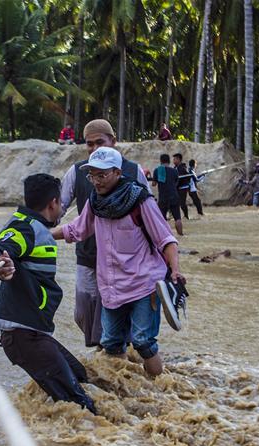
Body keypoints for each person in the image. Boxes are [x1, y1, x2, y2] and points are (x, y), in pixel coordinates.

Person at [52, 147, 187, 377]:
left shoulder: (140, 201)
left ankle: (162, 391)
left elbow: (166, 240)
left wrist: (175, 270)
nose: (96, 181)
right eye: (92, 175)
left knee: (144, 342)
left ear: (117, 172)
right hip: (111, 288)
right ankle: (124, 393)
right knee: (111, 343)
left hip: (144, 284)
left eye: (101, 175)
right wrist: (42, 234)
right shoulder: (95, 202)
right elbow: (76, 229)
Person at [0, 174, 97, 414]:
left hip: (34, 333)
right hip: (24, 337)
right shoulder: (25, 227)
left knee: (82, 377)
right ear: (54, 203)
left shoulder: (33, 225)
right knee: (81, 408)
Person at [59, 118, 151, 348]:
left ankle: (115, 355)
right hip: (88, 254)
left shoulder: (132, 171)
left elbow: (151, 215)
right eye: (89, 144)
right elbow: (57, 208)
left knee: (121, 310)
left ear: (114, 141)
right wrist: (35, 230)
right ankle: (106, 351)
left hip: (126, 260)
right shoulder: (77, 172)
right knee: (83, 311)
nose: (94, 148)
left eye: (100, 142)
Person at [151, 153, 183, 236]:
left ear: (161, 161)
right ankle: (181, 235)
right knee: (177, 218)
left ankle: (165, 236)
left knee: (162, 219)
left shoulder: (157, 170)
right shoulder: (174, 171)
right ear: (169, 161)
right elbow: (176, 182)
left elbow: (154, 184)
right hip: (174, 196)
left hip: (163, 197)